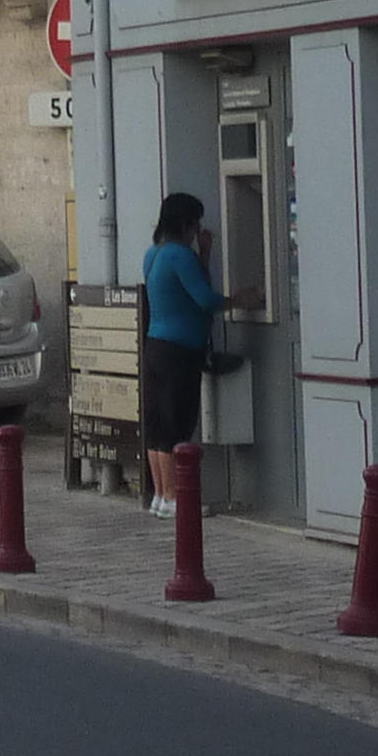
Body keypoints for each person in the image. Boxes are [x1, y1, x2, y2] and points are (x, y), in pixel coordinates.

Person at [140, 190, 221, 521]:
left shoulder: (153, 254)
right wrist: (243, 299)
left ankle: (161, 495)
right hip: (181, 350)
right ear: (186, 223)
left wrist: (203, 254)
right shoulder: (180, 256)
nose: (198, 228)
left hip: (155, 345)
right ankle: (176, 498)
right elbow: (206, 299)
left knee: (158, 423)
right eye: (196, 221)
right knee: (179, 423)